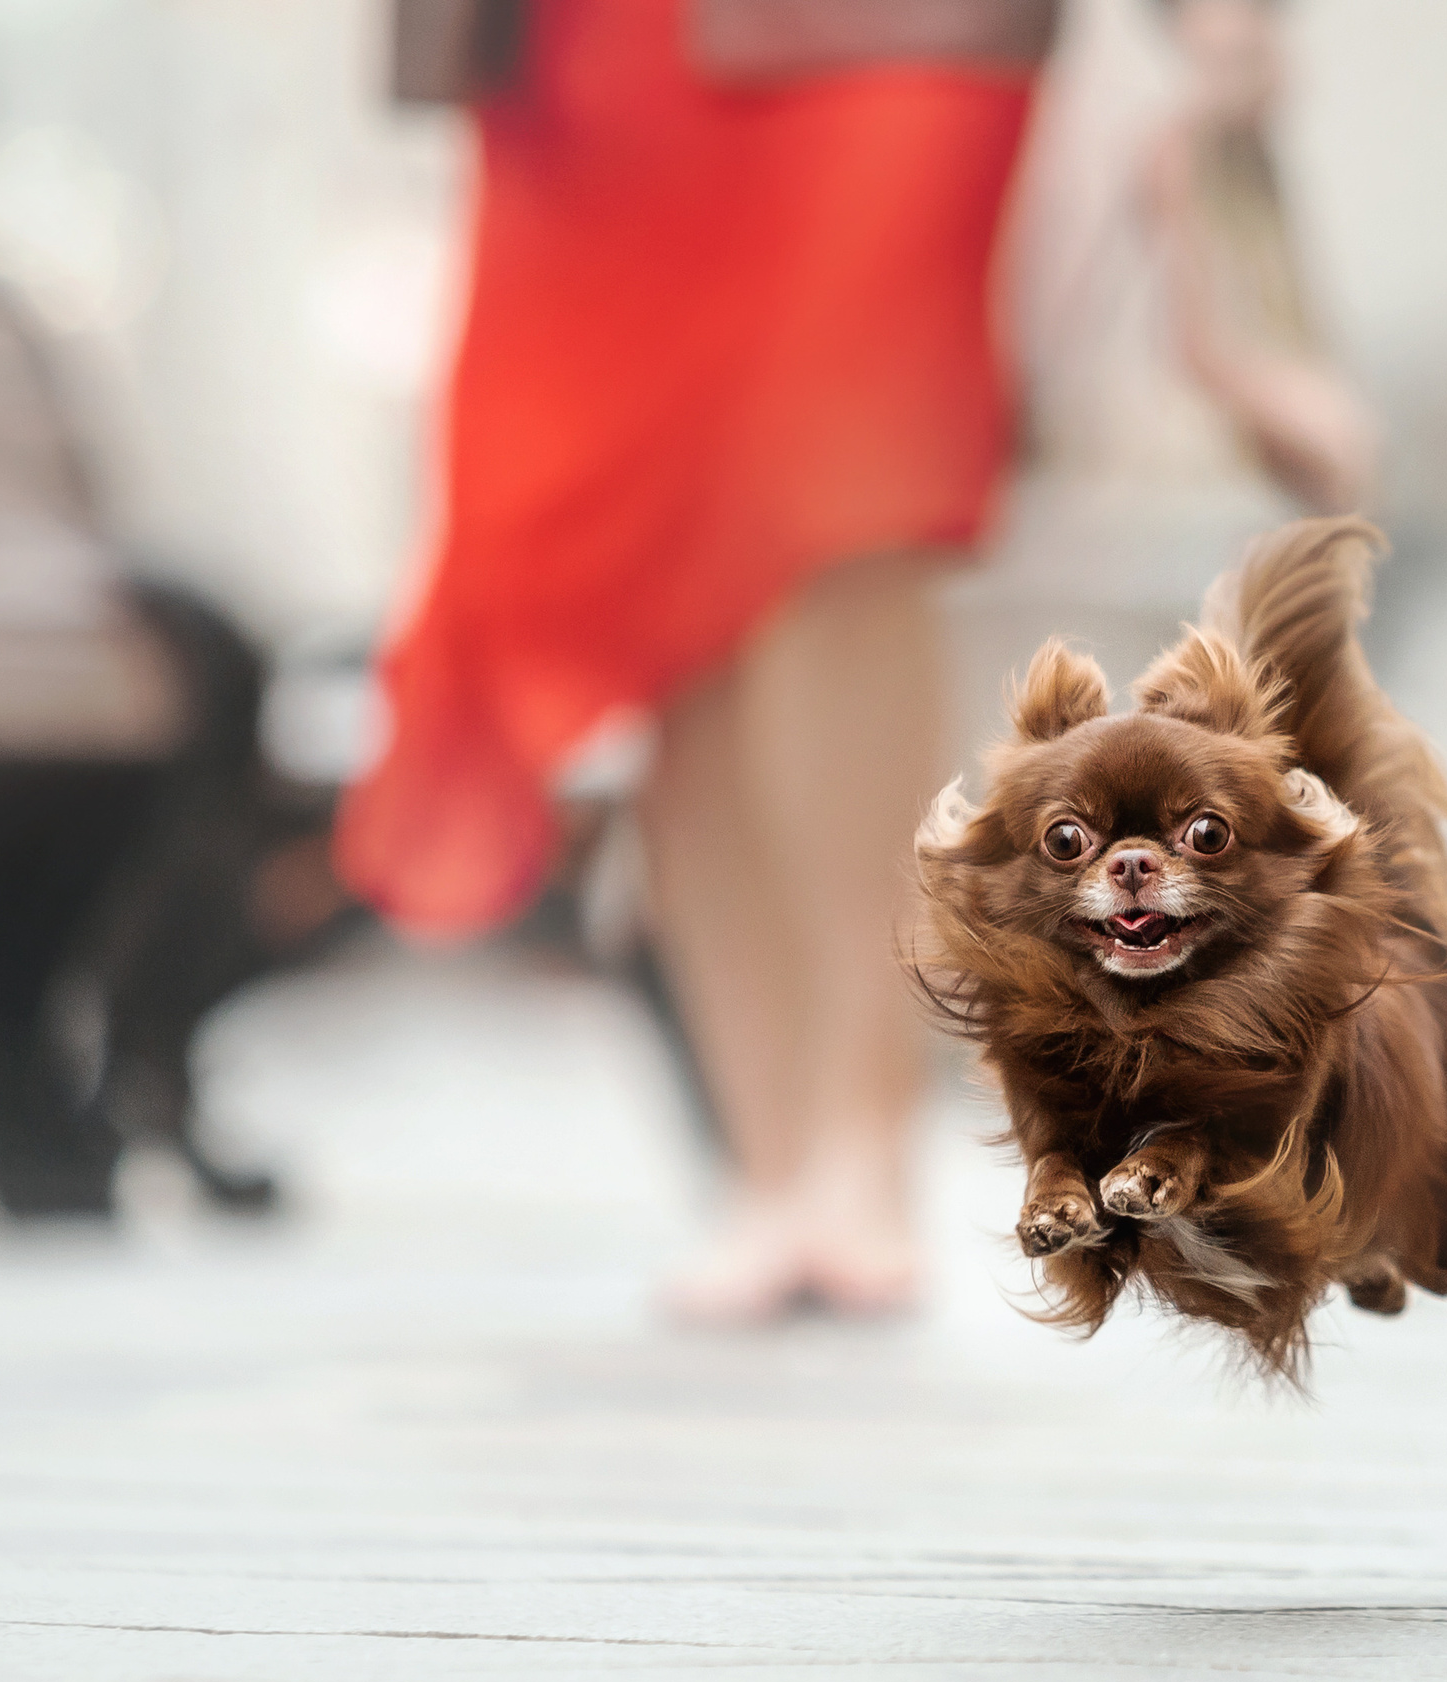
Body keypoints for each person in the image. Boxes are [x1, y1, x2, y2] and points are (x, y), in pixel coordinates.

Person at [336, 0, 1047, 1321]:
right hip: (607, 45)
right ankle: (771, 1160)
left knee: (861, 494)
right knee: (666, 538)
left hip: (903, 35)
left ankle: (863, 1130)